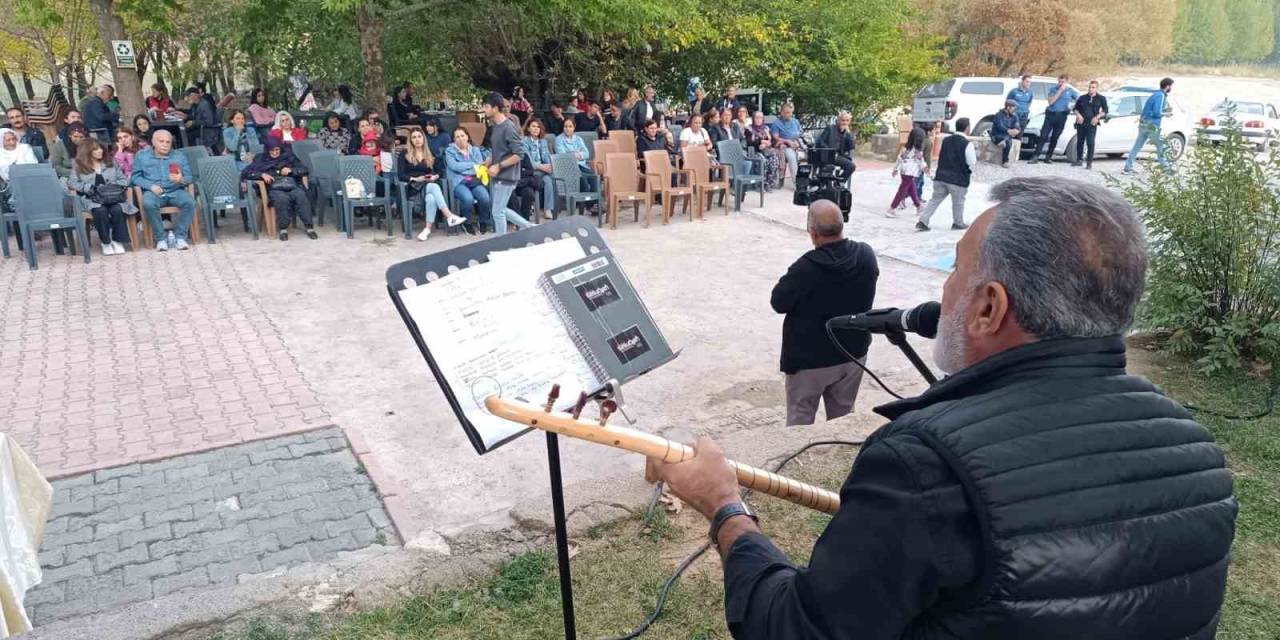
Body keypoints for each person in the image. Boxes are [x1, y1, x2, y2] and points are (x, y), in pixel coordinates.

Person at [647, 176, 1236, 640]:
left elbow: (794, 628)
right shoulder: (1198, 453)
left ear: (988, 309)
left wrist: (724, 507)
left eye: (954, 269)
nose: (943, 291)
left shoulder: (924, 466)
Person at [769, 200, 878, 425]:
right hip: (852, 353)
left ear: (813, 232)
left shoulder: (805, 268)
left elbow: (778, 302)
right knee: (842, 420)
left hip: (809, 359)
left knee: (800, 422)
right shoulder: (865, 254)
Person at [131, 129, 196, 251]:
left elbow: (190, 177)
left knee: (190, 202)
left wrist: (181, 179)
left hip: (175, 190)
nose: (165, 145)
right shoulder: (142, 156)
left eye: (168, 142)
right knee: (148, 203)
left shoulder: (179, 156)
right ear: (153, 142)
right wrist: (150, 186)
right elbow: (135, 177)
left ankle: (180, 237)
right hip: (154, 192)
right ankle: (161, 239)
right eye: (161, 141)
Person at [240, 138, 315, 240]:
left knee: (301, 195)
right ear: (267, 150)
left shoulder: (289, 157)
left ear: (280, 149)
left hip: (291, 185)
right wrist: (261, 174)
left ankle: (309, 227)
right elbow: (247, 172)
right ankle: (283, 229)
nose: (275, 153)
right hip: (273, 188)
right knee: (282, 199)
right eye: (272, 150)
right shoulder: (260, 159)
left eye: (277, 150)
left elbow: (304, 170)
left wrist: (291, 170)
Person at [68, 138, 134, 255]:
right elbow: (72, 183)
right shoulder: (79, 166)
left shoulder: (111, 162)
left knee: (118, 209)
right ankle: (106, 242)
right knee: (100, 210)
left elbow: (124, 180)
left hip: (113, 197)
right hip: (92, 199)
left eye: (100, 148)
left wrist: (112, 186)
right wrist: (88, 187)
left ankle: (117, 241)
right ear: (87, 151)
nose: (100, 151)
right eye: (95, 149)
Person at [481, 92, 535, 236]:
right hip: (498, 175)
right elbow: (502, 150)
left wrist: (499, 166)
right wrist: (490, 160)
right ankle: (529, 226)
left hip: (507, 176)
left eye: (486, 106)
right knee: (500, 209)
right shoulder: (495, 126)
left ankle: (501, 242)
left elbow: (519, 154)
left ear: (495, 108)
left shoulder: (508, 127)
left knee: (497, 212)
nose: (484, 109)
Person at [399, 128, 465, 240]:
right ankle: (449, 216)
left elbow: (440, 170)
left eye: (419, 136)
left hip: (427, 186)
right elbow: (401, 175)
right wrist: (415, 179)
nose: (417, 140)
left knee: (431, 198)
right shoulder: (404, 154)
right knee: (434, 186)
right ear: (410, 140)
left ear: (423, 138)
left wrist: (435, 176)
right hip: (413, 187)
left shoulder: (430, 153)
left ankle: (427, 229)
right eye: (414, 137)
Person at [917, 117, 974, 232]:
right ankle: (958, 222)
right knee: (958, 202)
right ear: (967, 128)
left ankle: (923, 220)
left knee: (935, 199)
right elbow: (971, 162)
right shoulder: (967, 144)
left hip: (941, 176)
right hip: (958, 179)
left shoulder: (946, 140)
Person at [1124, 77, 1174, 174]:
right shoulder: (1161, 95)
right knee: (1161, 145)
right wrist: (1166, 114)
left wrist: (1164, 111)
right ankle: (1166, 168)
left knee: (1137, 146)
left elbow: (1150, 109)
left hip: (1143, 123)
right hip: (1151, 125)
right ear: (1167, 86)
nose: (1171, 88)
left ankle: (1128, 166)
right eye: (1171, 86)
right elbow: (1156, 112)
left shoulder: (1155, 94)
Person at [445, 127, 492, 232]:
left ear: (467, 137)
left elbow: (479, 167)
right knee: (468, 198)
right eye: (457, 137)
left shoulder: (475, 150)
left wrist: (465, 169)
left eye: (462, 136)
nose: (460, 139)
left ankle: (483, 221)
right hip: (459, 182)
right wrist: (472, 165)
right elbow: (454, 166)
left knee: (485, 197)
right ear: (454, 139)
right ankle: (467, 222)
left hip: (474, 181)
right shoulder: (449, 151)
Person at [1029, 74, 1078, 164]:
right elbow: (1051, 102)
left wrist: (1072, 107)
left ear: (1067, 82)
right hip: (1051, 114)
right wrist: (1060, 91)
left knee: (1055, 137)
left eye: (1063, 82)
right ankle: (1035, 156)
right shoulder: (1053, 89)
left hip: (1062, 115)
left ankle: (1048, 157)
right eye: (1059, 81)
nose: (1060, 83)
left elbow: (1079, 100)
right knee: (1043, 135)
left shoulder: (1070, 91)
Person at [521, 118, 556, 220]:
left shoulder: (543, 141)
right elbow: (529, 162)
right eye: (533, 126)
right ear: (528, 128)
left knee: (548, 180)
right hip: (530, 171)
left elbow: (547, 158)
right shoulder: (524, 142)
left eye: (538, 127)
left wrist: (549, 166)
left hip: (542, 171)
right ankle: (547, 207)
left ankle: (547, 209)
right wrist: (543, 167)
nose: (536, 129)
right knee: (550, 176)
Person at [888, 128, 926, 219]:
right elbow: (921, 162)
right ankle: (892, 209)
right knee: (902, 190)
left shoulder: (906, 147)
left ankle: (918, 206)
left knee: (911, 189)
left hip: (904, 171)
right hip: (910, 172)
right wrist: (928, 171)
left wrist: (895, 169)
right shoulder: (917, 151)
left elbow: (899, 158)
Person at [1072, 80, 1108, 169]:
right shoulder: (1082, 97)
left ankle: (1089, 162)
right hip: (1081, 123)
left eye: (1093, 87)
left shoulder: (1101, 98)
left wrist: (1097, 117)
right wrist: (1078, 115)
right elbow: (1075, 109)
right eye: (1090, 87)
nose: (1091, 89)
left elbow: (1105, 111)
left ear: (1096, 88)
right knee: (1080, 141)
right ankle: (1079, 160)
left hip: (1092, 123)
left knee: (1090, 143)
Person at [555, 117, 598, 190]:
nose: (568, 129)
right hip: (569, 167)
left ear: (574, 127)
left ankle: (594, 197)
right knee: (583, 180)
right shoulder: (559, 139)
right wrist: (577, 154)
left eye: (570, 126)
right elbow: (563, 156)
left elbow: (587, 154)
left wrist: (574, 154)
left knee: (594, 177)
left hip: (581, 165)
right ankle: (583, 197)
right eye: (565, 126)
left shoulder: (578, 139)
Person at [768, 103, 804, 187]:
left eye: (791, 112)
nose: (790, 114)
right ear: (782, 113)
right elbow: (776, 137)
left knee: (812, 154)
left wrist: (797, 142)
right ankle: (797, 183)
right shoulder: (776, 123)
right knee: (791, 156)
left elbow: (800, 133)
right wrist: (787, 141)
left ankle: (807, 180)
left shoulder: (796, 121)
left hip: (797, 144)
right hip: (784, 146)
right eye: (787, 112)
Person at [814, 111, 856, 177]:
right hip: (827, 155)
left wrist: (848, 134)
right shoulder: (830, 128)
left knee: (851, 166)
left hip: (839, 156)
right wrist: (830, 152)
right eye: (843, 120)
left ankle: (839, 181)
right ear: (838, 120)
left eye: (847, 121)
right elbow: (820, 142)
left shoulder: (847, 133)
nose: (845, 122)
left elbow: (851, 146)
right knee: (829, 167)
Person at [746, 111, 779, 191]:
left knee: (774, 159)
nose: (758, 120)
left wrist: (768, 144)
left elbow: (773, 141)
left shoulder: (766, 128)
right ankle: (760, 184)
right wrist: (761, 142)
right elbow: (749, 142)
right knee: (763, 161)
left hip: (766, 150)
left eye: (760, 118)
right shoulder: (749, 129)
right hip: (755, 152)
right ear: (753, 119)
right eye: (756, 118)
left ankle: (769, 183)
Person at [989, 100, 1021, 168]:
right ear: (1008, 107)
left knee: (1008, 141)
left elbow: (1017, 126)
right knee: (1006, 139)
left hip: (1007, 136)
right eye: (1013, 108)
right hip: (996, 135)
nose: (1014, 110)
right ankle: (1001, 142)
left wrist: (1016, 130)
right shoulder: (998, 115)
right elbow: (1000, 126)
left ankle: (1005, 161)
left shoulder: (1014, 116)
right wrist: (1008, 131)